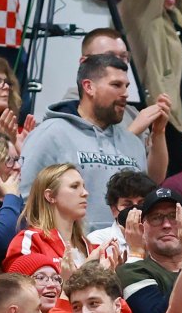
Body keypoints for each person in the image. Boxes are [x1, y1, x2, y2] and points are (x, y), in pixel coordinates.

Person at [28, 54, 169, 230]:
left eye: (126, 86)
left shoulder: (132, 142)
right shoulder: (50, 134)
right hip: (71, 251)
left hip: (128, 251)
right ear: (89, 87)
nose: (125, 93)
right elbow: (27, 199)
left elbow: (149, 190)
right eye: (116, 85)